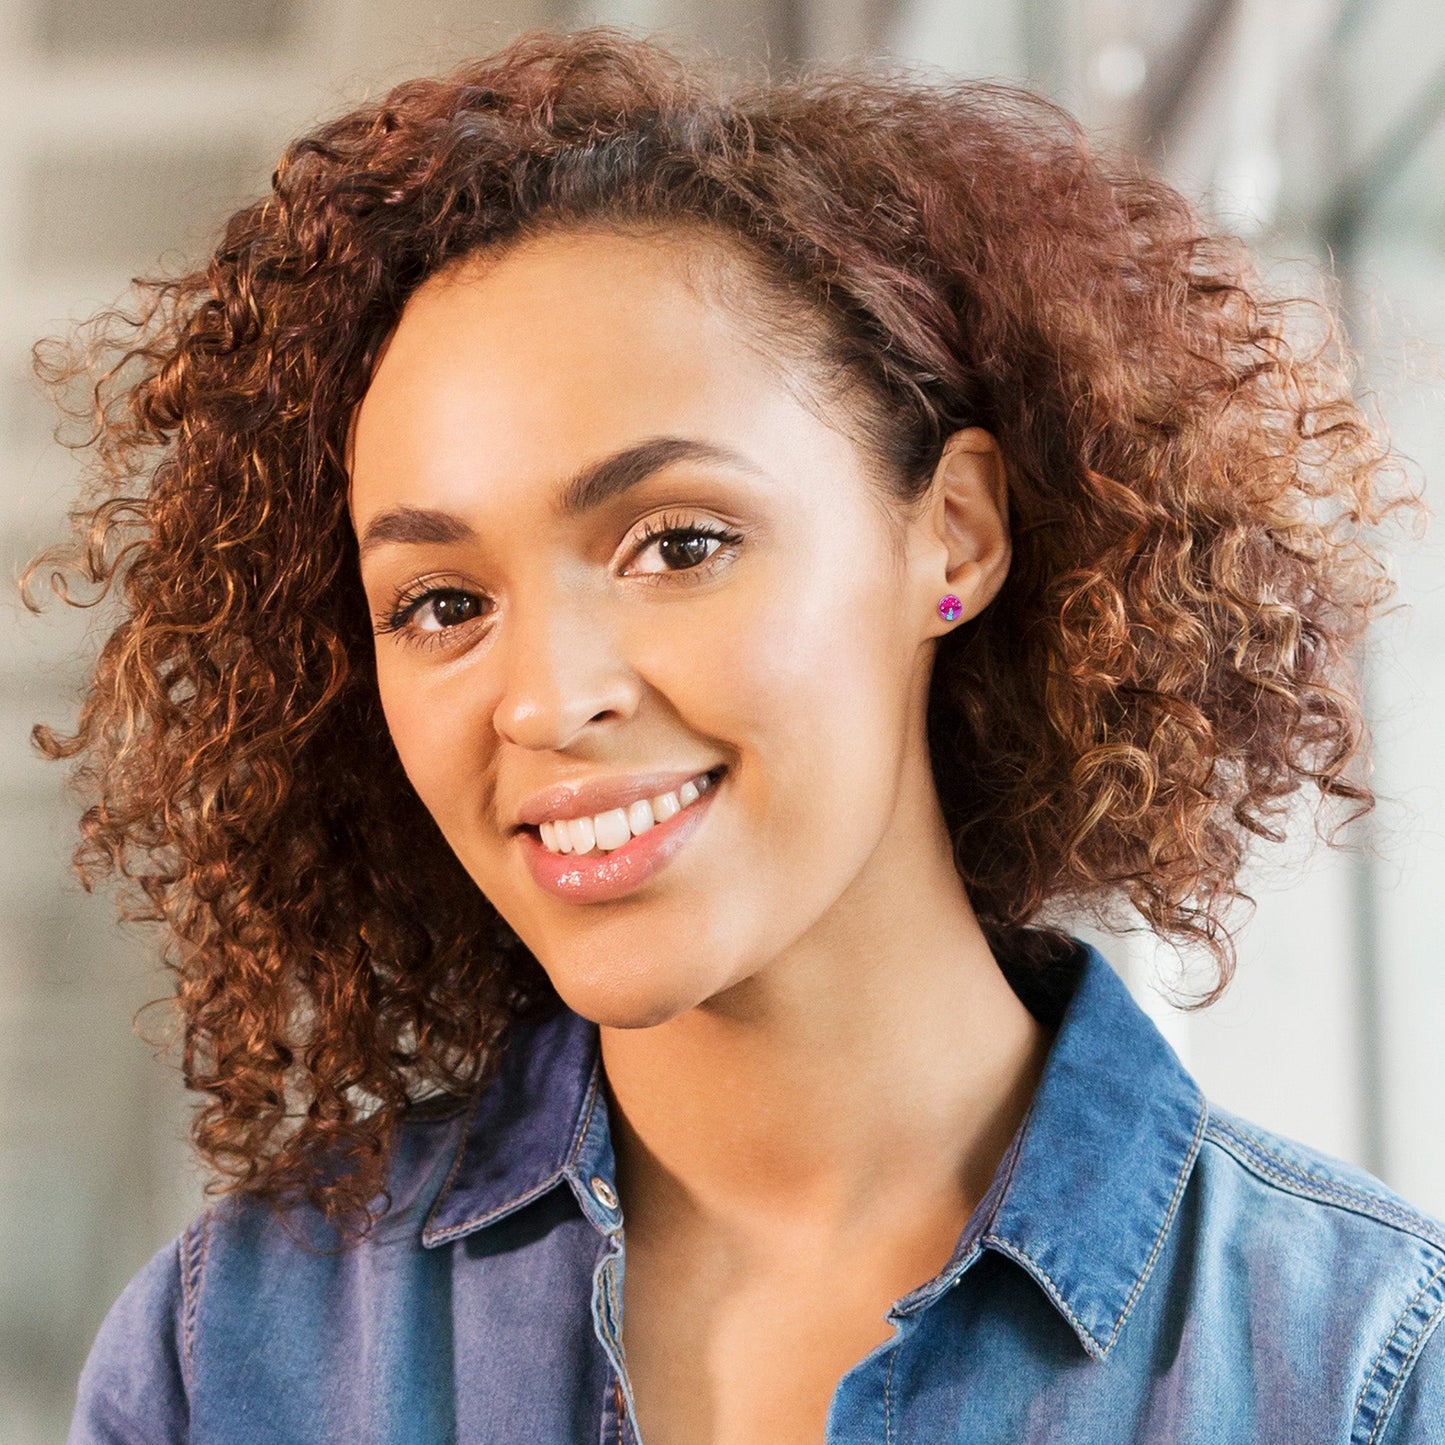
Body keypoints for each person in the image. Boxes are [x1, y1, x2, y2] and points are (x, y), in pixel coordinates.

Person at [30, 24, 1444, 1445]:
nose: (542, 696)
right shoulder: (233, 1356)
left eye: (678, 542)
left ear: (951, 534)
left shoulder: (1354, 1367)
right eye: (443, 600)